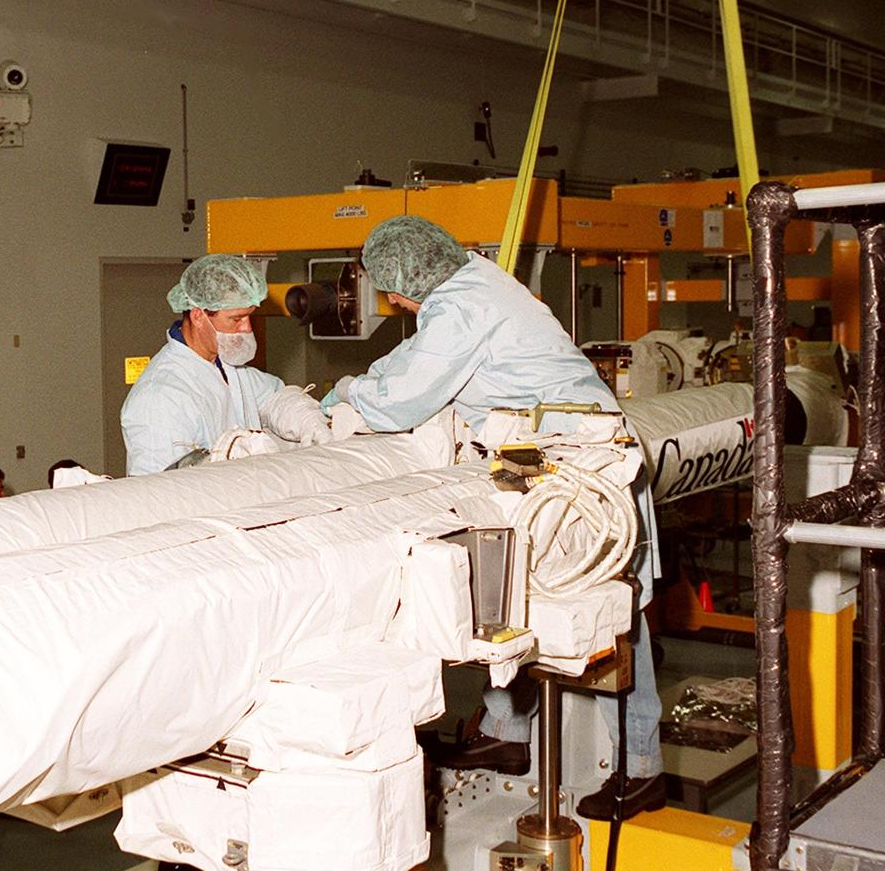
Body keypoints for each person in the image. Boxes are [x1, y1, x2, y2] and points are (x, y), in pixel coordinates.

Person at [324, 214, 665, 820]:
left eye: (391, 290)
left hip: (586, 469)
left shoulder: (462, 306)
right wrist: (349, 388)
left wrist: (349, 394)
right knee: (516, 591)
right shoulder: (473, 285)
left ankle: (641, 769)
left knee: (613, 618)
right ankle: (507, 732)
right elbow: (410, 358)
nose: (392, 301)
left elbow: (401, 401)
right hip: (540, 462)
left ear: (411, 277)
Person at [120, 254, 285, 475]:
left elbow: (273, 396)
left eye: (249, 317)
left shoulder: (226, 365)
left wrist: (302, 415)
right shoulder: (159, 397)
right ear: (198, 316)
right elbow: (157, 488)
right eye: (236, 319)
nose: (247, 328)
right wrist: (220, 464)